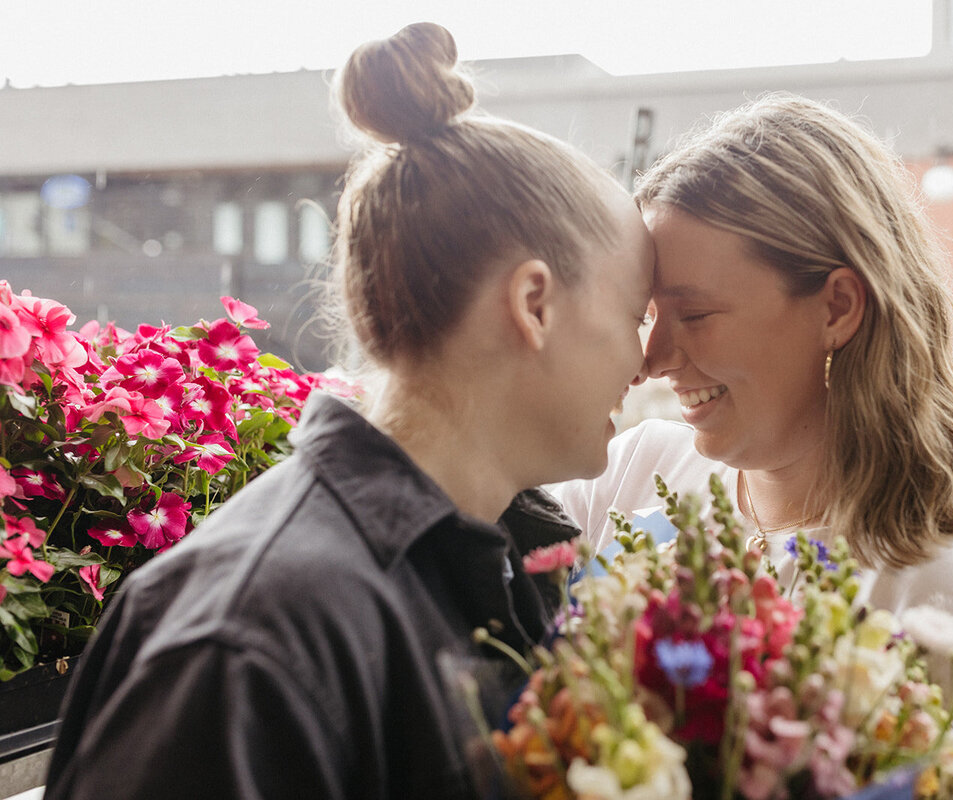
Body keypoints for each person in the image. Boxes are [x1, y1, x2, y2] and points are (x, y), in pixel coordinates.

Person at [44, 22, 652, 800]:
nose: (648, 359)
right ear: (534, 303)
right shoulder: (250, 644)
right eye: (635, 314)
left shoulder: (505, 564)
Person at [554, 94, 953, 799]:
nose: (651, 358)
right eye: (649, 313)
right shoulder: (630, 472)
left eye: (693, 313)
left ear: (838, 307)